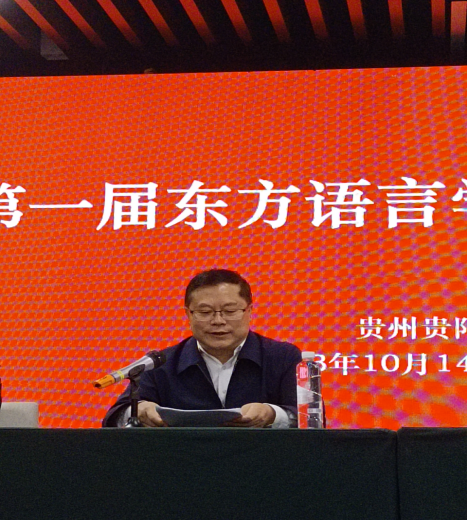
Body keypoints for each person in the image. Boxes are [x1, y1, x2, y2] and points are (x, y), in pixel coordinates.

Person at [103, 269, 304, 428]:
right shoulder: (161, 363)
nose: (218, 321)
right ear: (188, 314)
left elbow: (309, 418)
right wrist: (138, 411)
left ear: (249, 311)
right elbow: (113, 418)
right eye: (205, 312)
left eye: (230, 311)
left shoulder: (283, 357)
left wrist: (272, 414)